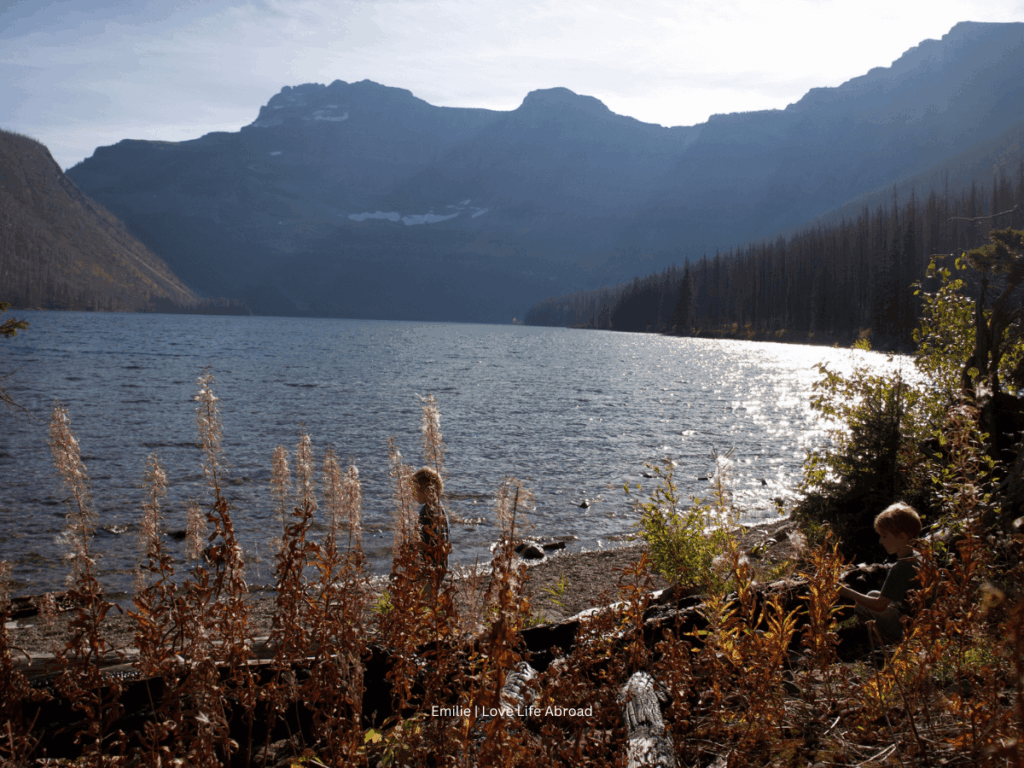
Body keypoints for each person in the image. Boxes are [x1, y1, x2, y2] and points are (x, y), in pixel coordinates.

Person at [838, 502, 922, 643]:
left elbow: (879, 605)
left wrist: (846, 592)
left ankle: (886, 638)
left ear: (902, 536)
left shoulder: (901, 567)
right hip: (920, 617)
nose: (881, 541)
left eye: (884, 536)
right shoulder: (918, 556)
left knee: (862, 606)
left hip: (910, 626)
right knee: (872, 594)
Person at [411, 466, 450, 587]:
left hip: (429, 568)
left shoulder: (428, 512)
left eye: (415, 490)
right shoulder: (440, 509)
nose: (412, 494)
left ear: (428, 491)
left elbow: (427, 542)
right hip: (440, 565)